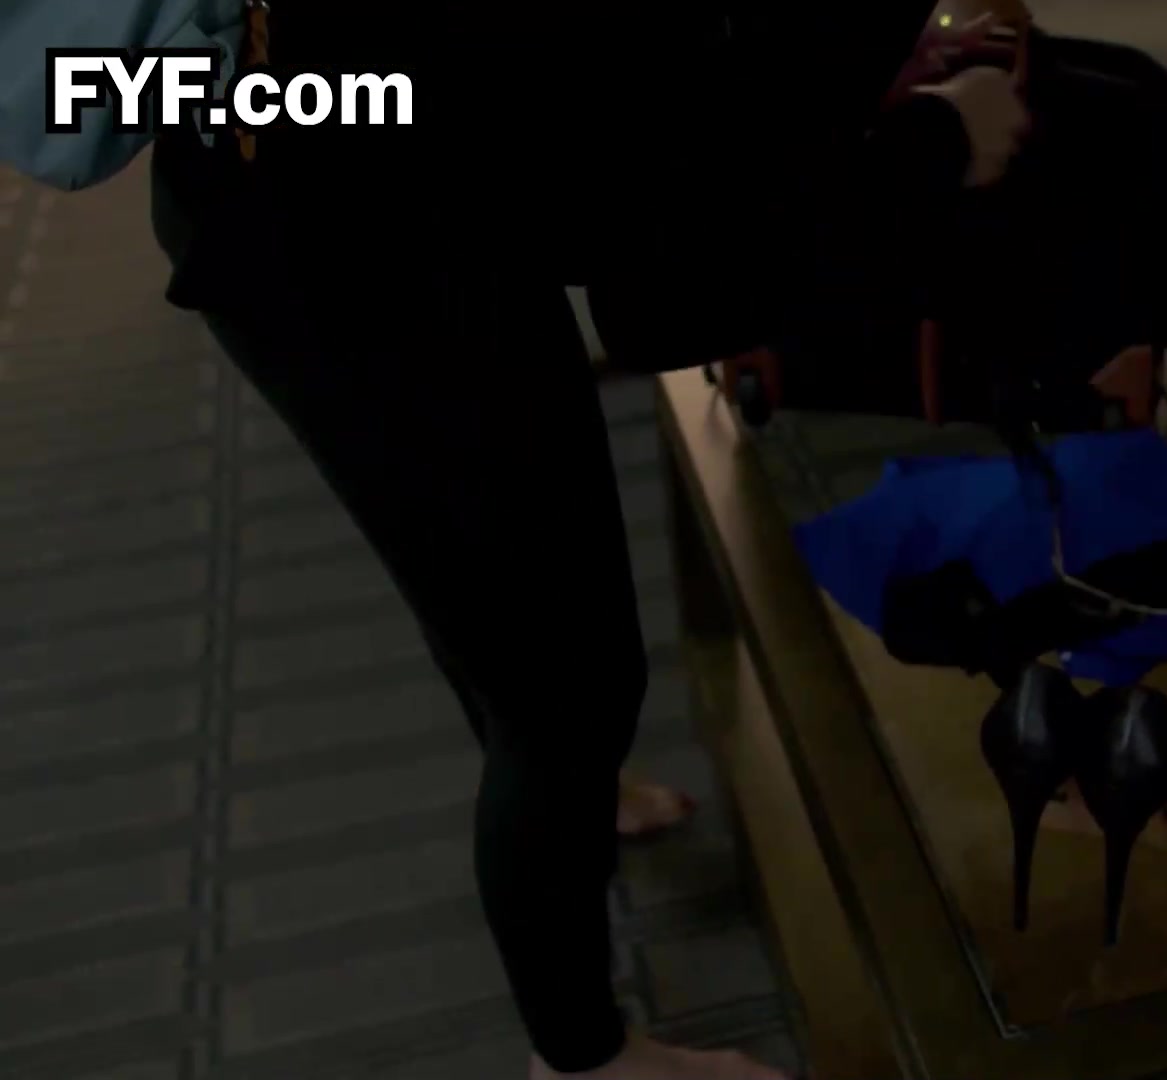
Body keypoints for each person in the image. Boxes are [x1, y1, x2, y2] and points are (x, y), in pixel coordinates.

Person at [148, 3, 1029, 1078]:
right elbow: (668, 287)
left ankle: (560, 791)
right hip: (358, 226)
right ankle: (582, 1058)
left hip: (321, 161)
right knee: (567, 687)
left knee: (472, 578)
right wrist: (940, 139)